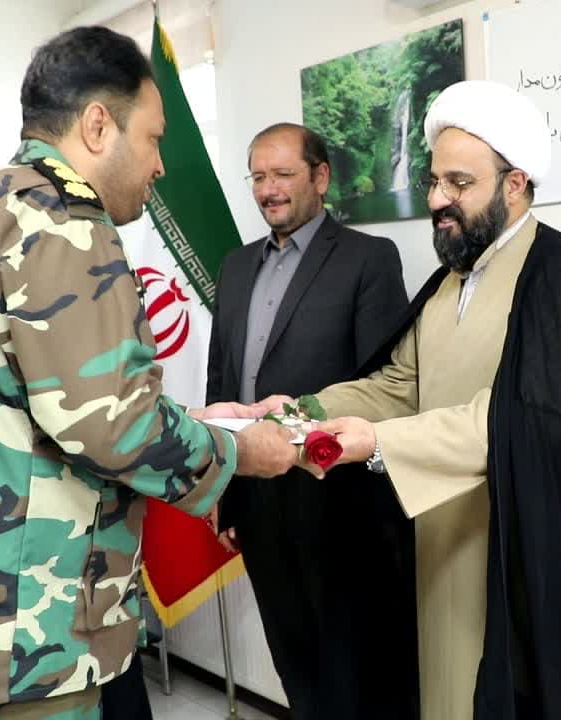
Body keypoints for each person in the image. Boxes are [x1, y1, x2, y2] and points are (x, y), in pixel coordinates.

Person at [0, 27, 304, 719]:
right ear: (98, 125)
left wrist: (201, 419)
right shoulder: (63, 219)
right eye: (154, 139)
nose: (159, 166)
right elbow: (113, 427)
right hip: (9, 633)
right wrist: (242, 452)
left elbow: (24, 401)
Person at [296, 80, 561, 719]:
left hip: (521, 551)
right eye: (435, 180)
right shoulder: (449, 282)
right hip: (442, 538)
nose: (437, 199)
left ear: (514, 183)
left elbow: (527, 420)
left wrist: (379, 443)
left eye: (459, 183)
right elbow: (399, 384)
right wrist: (296, 412)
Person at [207, 122, 416, 720]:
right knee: (293, 658)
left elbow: (389, 383)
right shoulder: (235, 267)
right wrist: (221, 486)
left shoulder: (369, 259)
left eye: (282, 174)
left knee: (357, 671)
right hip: (256, 499)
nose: (268, 189)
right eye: (258, 177)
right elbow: (222, 383)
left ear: (320, 177)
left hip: (340, 502)